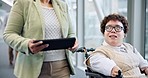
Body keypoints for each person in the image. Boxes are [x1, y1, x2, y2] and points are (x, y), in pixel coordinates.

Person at [3, 0, 79, 78]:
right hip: (32, 68)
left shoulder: (62, 5)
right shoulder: (22, 3)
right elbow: (9, 34)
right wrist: (26, 44)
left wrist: (74, 42)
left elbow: (70, 33)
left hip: (62, 67)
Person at [85, 13, 148, 78]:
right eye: (108, 28)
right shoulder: (100, 52)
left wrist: (146, 68)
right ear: (104, 33)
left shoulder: (130, 48)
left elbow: (144, 64)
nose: (113, 30)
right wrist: (112, 68)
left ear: (124, 34)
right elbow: (95, 60)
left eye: (118, 28)